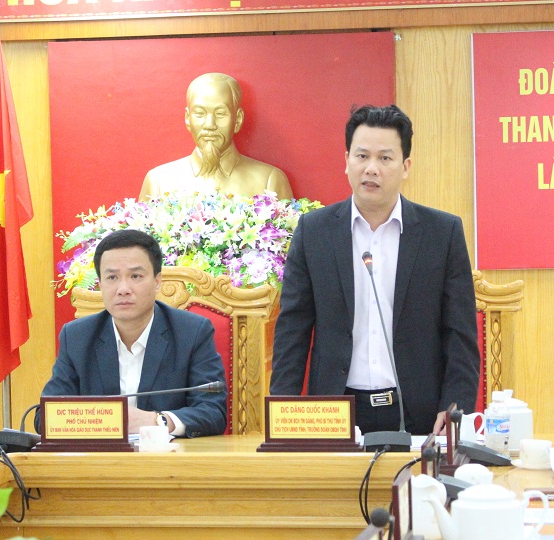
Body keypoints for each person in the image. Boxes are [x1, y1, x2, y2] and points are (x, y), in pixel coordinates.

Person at [270, 104, 479, 436]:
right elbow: (292, 329)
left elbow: (460, 334)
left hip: (420, 411)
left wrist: (455, 407)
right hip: (333, 410)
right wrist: (283, 411)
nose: (371, 168)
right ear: (347, 160)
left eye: (385, 158)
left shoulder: (442, 233)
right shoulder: (314, 232)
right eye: (362, 156)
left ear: (405, 166)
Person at [36, 229, 227, 437]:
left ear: (157, 281)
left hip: (169, 456)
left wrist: (157, 421)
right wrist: (102, 422)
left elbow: (213, 411)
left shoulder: (191, 332)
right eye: (112, 277)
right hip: (99, 455)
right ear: (100, 285)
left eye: (135, 276)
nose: (123, 289)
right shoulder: (77, 337)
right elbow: (45, 417)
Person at [139, 72, 293, 201]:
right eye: (199, 113)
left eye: (220, 114)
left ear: (238, 119)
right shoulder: (158, 182)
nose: (209, 124)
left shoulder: (270, 181)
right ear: (187, 118)